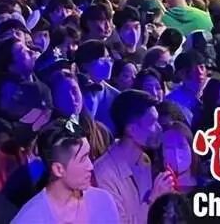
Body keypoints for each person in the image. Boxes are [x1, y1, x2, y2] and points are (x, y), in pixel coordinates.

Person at [12, 120, 119, 224]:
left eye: (88, 155)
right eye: (83, 159)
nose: (90, 166)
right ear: (58, 169)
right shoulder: (30, 219)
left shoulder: (103, 202)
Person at [94, 90, 174, 224]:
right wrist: (154, 199)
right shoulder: (103, 174)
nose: (159, 128)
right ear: (131, 130)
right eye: (152, 123)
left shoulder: (144, 160)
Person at [166, 50, 207, 129]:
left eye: (202, 67)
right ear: (180, 73)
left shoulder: (214, 94)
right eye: (193, 69)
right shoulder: (172, 101)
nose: (200, 72)